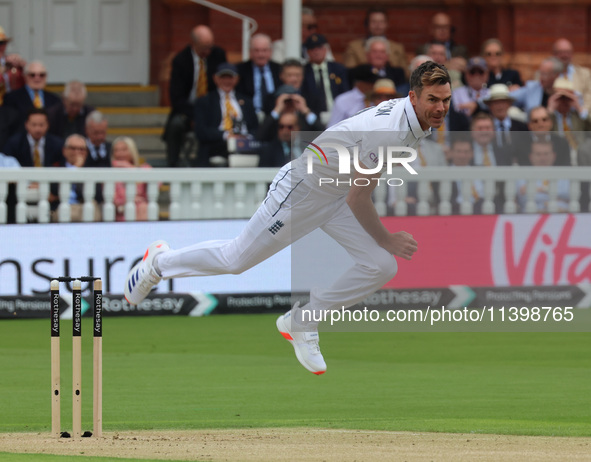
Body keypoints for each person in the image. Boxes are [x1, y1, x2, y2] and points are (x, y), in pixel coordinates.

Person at [124, 61, 450, 375]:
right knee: (235, 259)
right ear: (412, 97)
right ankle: (158, 264)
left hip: (334, 196)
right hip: (302, 192)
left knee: (381, 265)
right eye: (432, 100)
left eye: (446, 100)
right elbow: (359, 196)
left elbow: (354, 188)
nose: (440, 107)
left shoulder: (414, 121)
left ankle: (303, 321)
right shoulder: (389, 131)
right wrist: (386, 237)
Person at [163, 25, 227, 167]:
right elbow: (176, 98)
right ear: (194, 44)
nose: (208, 51)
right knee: (175, 125)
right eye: (204, 47)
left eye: (210, 46)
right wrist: (195, 116)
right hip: (188, 110)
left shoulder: (218, 55)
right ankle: (172, 164)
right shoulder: (181, 60)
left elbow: (224, 85)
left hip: (214, 108)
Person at [194, 63, 258, 167]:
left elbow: (255, 128)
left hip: (245, 143)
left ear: (237, 79)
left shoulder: (247, 101)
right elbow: (201, 131)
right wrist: (227, 135)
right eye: (223, 77)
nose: (227, 81)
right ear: (215, 78)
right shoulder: (205, 101)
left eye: (230, 77)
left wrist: (245, 137)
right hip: (218, 144)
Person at [2, 60, 60, 133]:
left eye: (41, 75)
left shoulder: (55, 100)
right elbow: (6, 127)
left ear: (46, 77)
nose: (37, 78)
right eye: (32, 75)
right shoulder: (11, 98)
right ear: (25, 76)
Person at [343, 7, 408, 72]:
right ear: (367, 24)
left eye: (381, 22)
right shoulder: (354, 47)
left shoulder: (398, 48)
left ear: (387, 24)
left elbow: (405, 74)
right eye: (373, 22)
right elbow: (349, 72)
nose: (378, 25)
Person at [301, 34, 349, 115]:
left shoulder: (338, 69)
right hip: (313, 115)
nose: (316, 51)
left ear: (326, 49)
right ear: (308, 52)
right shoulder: (304, 71)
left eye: (319, 48)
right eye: (312, 49)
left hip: (337, 113)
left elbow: (345, 92)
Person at [516, 140, 570, 213]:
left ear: (554, 156)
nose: (542, 158)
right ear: (531, 157)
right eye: (538, 154)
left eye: (546, 154)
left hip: (562, 215)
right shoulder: (522, 175)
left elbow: (568, 193)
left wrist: (538, 189)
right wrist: (556, 196)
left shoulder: (564, 174)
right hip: (531, 217)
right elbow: (523, 197)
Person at [236, 34, 282, 114]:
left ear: (271, 51)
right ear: (250, 52)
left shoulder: (279, 69)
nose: (261, 55)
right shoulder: (241, 70)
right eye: (256, 50)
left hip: (275, 115)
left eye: (264, 50)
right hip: (249, 114)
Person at [111, 136, 151, 221]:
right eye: (116, 150)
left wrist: (129, 168)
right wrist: (129, 200)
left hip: (141, 211)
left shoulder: (144, 168)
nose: (119, 153)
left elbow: (158, 182)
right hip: (120, 213)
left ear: (132, 151)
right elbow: (114, 201)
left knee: (143, 207)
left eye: (124, 150)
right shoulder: (110, 173)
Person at [552, 38, 591, 113]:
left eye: (567, 52)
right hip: (555, 119)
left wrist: (581, 109)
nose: (564, 55)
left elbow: (589, 99)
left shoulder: (585, 74)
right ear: (554, 54)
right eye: (560, 52)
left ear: (572, 54)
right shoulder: (546, 73)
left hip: (579, 118)